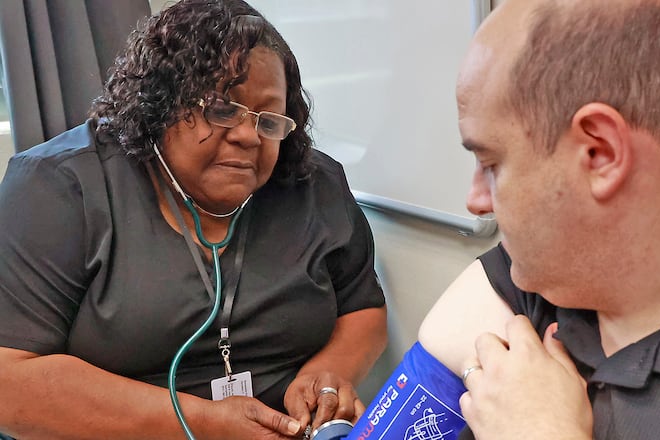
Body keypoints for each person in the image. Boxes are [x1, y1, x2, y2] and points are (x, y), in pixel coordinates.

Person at [0, 1, 387, 439]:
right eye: (222, 109)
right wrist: (198, 423)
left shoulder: (313, 184)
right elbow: (9, 383)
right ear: (161, 102)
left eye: (269, 119)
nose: (247, 134)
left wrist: (326, 373)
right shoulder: (58, 187)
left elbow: (363, 309)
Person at [423, 0, 660, 438]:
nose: (477, 201)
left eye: (491, 163)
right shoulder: (553, 267)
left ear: (601, 153)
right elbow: (408, 397)